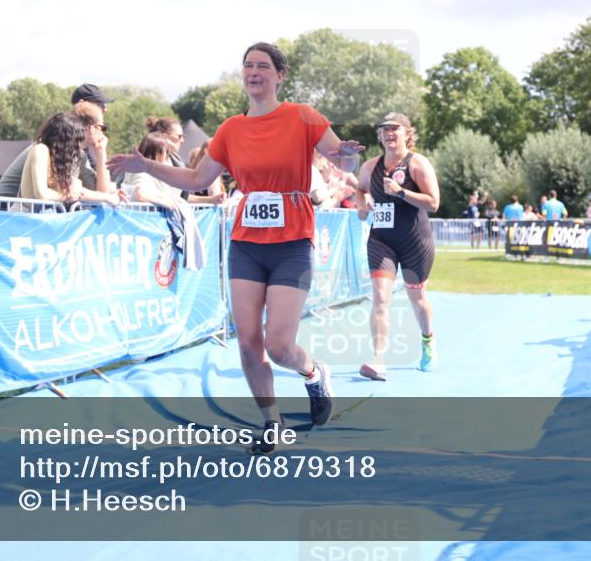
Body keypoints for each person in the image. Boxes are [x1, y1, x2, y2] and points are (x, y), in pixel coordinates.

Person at [108, 42, 363, 454]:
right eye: (248, 66)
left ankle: (314, 374)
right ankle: (272, 422)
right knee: (248, 343)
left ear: (280, 76)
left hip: (292, 242)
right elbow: (195, 179)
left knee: (279, 346)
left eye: (263, 66)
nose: (253, 72)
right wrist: (144, 166)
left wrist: (348, 157)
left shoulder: (302, 117)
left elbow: (341, 160)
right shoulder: (231, 129)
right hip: (246, 243)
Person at [354, 112, 440, 381]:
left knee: (418, 299)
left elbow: (434, 203)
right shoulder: (370, 167)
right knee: (380, 297)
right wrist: (363, 202)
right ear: (379, 136)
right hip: (382, 241)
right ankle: (378, 359)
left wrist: (401, 192)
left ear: (407, 133)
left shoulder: (418, 164)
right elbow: (360, 190)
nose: (389, 134)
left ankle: (427, 340)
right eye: (384, 130)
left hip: (415, 242)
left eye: (395, 129)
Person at [0, 83, 125, 205]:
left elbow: (96, 194)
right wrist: (79, 194)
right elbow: (53, 193)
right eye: (100, 105)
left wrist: (101, 153)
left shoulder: (77, 154)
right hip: (4, 214)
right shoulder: (43, 149)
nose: (105, 109)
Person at [19, 112, 87, 204]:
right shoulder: (41, 150)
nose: (79, 146)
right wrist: (68, 196)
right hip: (28, 215)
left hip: (45, 214)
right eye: (77, 141)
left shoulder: (58, 160)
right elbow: (41, 194)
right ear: (66, 140)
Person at [124, 132, 179, 208]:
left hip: (139, 216)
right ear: (159, 154)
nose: (167, 155)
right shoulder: (142, 170)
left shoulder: (140, 167)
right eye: (167, 151)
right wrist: (165, 203)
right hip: (141, 217)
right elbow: (140, 194)